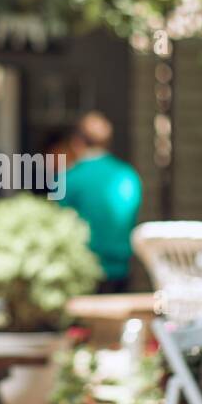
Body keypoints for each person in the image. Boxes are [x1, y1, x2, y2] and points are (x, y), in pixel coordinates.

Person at [56, 111, 143, 293]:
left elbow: (58, 224)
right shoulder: (129, 176)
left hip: (84, 272)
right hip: (122, 269)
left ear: (77, 141)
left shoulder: (69, 178)